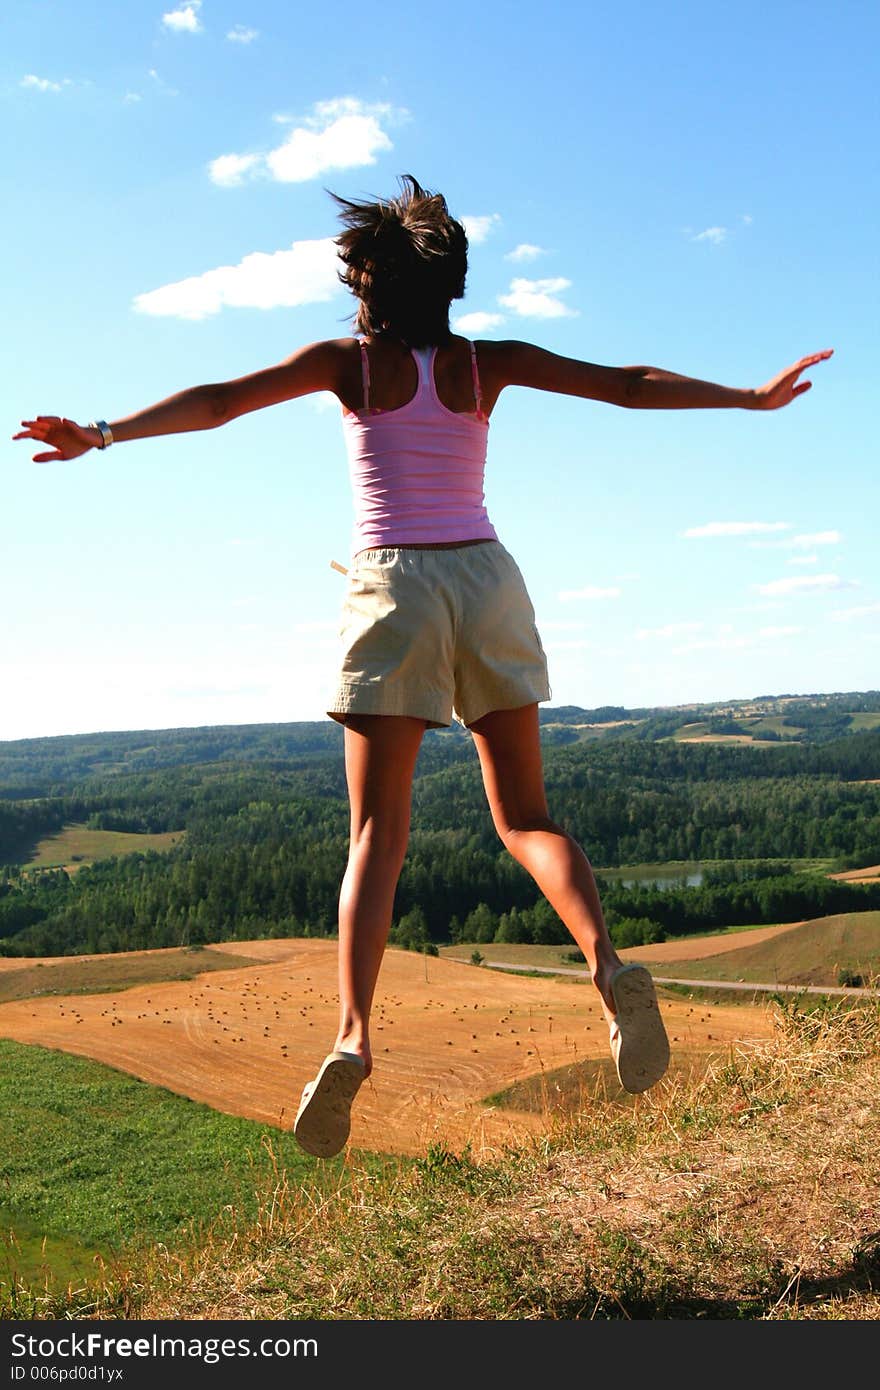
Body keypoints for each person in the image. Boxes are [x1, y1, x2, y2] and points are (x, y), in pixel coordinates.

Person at [14, 175, 833, 1159]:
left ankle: (354, 1038)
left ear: (366, 284)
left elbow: (224, 402)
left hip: (393, 583)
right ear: (451, 288)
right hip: (487, 578)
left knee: (376, 834)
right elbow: (628, 382)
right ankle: (608, 964)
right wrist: (748, 397)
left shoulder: (348, 364)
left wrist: (103, 433)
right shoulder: (488, 364)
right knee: (526, 819)